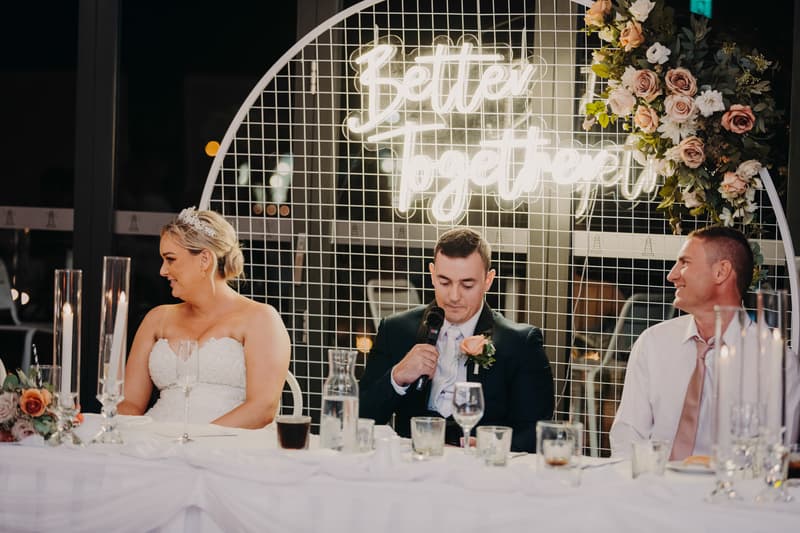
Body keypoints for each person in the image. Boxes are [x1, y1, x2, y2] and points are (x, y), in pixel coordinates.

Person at [610, 226, 799, 458]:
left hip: (733, 491)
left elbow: (775, 454)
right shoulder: (653, 343)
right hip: (655, 487)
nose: (672, 275)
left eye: (685, 263)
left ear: (721, 272)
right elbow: (627, 435)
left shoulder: (775, 360)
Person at [359, 227, 554, 452]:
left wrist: (490, 444)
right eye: (444, 282)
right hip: (412, 468)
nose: (453, 296)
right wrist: (397, 377)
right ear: (432, 273)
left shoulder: (520, 343)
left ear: (488, 280)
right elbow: (360, 419)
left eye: (467, 284)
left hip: (484, 474)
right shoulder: (396, 330)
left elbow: (538, 432)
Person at [118, 207, 290, 428]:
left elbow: (262, 408)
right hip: (156, 442)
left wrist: (195, 440)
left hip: (226, 447)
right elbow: (130, 403)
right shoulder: (157, 319)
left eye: (170, 259)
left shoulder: (260, 318)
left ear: (204, 260)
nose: (162, 270)